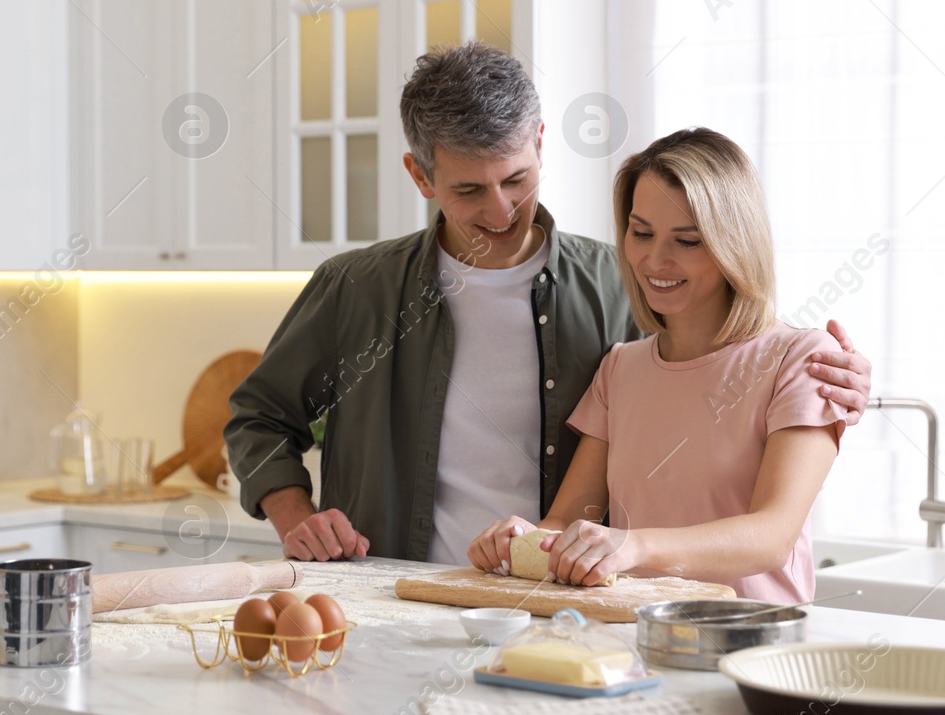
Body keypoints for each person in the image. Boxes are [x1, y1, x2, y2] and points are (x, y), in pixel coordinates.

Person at [224, 43, 872, 563]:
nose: (500, 210)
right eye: (469, 190)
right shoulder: (356, 288)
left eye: (516, 179)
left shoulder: (623, 283)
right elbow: (258, 414)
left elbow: (729, 350)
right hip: (395, 594)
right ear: (420, 176)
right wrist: (295, 517)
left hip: (559, 611)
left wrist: (842, 379)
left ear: (539, 141)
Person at [467, 129, 843, 601]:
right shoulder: (621, 369)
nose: (655, 260)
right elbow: (566, 520)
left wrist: (634, 545)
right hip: (635, 641)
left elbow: (772, 537)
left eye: (687, 241)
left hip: (753, 647)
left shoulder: (800, 360)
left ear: (735, 243)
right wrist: (521, 540)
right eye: (641, 233)